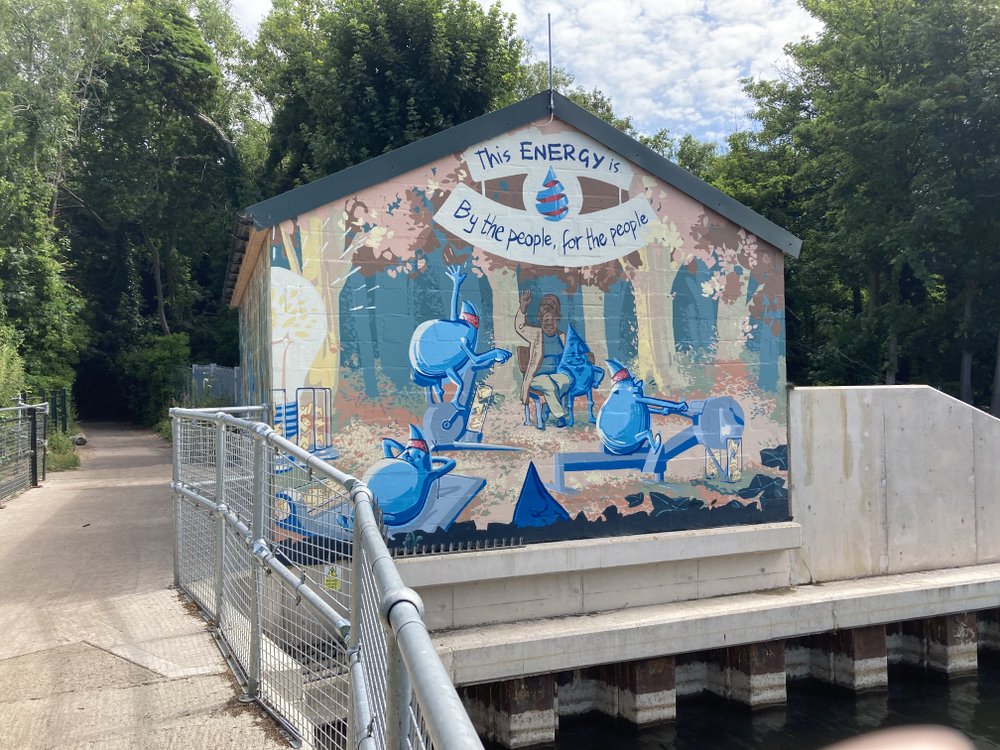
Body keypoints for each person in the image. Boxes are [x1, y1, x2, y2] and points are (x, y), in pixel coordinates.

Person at [515, 290, 571, 428]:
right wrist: (523, 307)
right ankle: (560, 417)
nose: (549, 324)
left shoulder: (562, 337)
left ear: (558, 320)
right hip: (537, 378)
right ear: (540, 320)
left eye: (553, 321)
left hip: (556, 376)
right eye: (546, 321)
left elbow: (571, 355)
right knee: (548, 384)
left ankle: (547, 407)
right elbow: (520, 327)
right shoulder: (536, 334)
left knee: (567, 380)